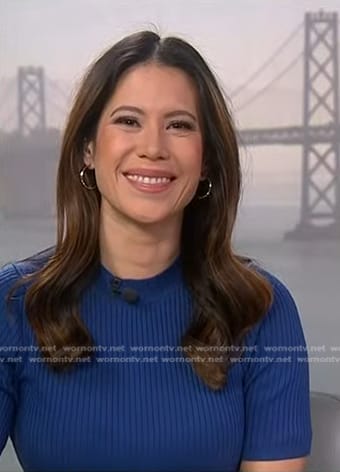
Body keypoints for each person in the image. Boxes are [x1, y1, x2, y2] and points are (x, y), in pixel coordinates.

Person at [0, 31, 312, 472]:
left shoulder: (262, 311)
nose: (152, 147)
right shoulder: (13, 304)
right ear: (88, 147)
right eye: (128, 120)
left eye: (179, 125)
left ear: (206, 160)